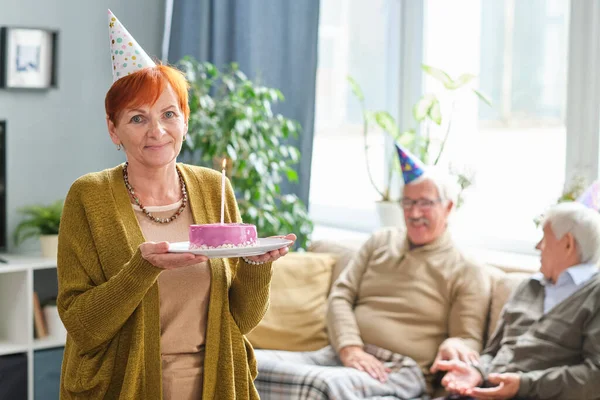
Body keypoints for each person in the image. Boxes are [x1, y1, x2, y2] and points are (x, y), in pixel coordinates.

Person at [57, 10, 294, 400]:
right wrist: (141, 269)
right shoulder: (89, 196)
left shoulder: (213, 187)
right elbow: (82, 326)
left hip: (216, 384)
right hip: (124, 387)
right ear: (113, 129)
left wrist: (255, 266)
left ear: (185, 120)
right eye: (137, 118)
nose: (157, 131)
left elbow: (241, 320)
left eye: (169, 114)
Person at [254, 145, 491, 399]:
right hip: (340, 354)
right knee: (244, 361)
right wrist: (350, 348)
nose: (414, 213)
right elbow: (340, 296)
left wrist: (456, 343)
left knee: (322, 386)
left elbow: (467, 338)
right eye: (408, 202)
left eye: (425, 203)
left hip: (400, 370)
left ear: (448, 207)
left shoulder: (467, 269)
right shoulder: (380, 241)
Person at [436, 201, 600, 400]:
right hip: (482, 393)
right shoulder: (528, 287)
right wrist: (477, 371)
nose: (538, 246)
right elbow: (493, 351)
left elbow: (595, 377)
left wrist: (523, 385)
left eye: (544, 238)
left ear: (567, 243)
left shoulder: (594, 294)